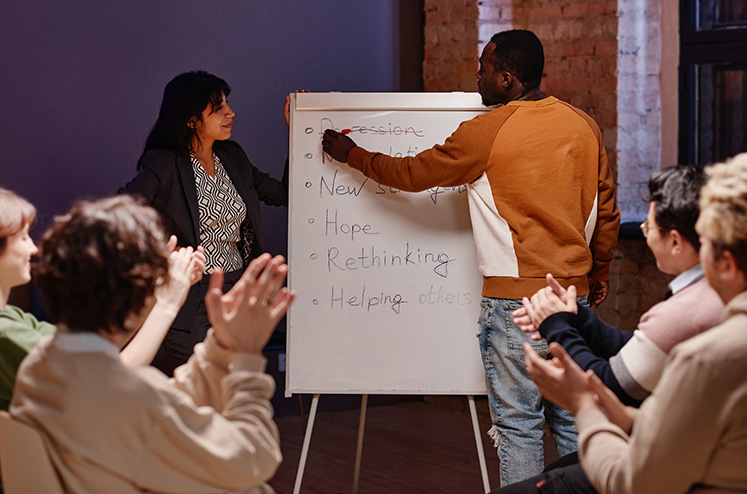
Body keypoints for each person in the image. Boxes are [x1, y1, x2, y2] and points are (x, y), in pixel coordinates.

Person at [322, 29, 620, 485]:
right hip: (572, 301)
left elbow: (413, 174)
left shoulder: (487, 132)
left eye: (483, 69)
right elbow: (607, 210)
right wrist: (597, 273)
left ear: (506, 79)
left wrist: (353, 155)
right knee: (576, 421)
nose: (476, 77)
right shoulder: (584, 125)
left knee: (519, 428)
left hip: (516, 308)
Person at [11, 195, 295, 494]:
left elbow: (164, 402)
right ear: (137, 291)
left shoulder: (43, 364)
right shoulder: (126, 397)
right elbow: (254, 460)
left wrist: (222, 347)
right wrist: (246, 358)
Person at [503, 153, 747, 493]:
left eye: (704, 241)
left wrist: (583, 403)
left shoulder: (706, 353)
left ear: (728, 264)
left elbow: (631, 481)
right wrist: (578, 320)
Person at [120, 71, 291, 376]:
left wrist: (297, 132)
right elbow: (121, 212)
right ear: (191, 120)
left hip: (238, 292)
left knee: (235, 383)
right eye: (219, 108)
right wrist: (162, 254)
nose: (231, 113)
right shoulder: (163, 163)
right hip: (192, 297)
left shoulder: (233, 156)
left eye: (228, 105)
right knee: (201, 386)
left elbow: (285, 193)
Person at [515, 165, 723, 407]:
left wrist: (557, 326)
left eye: (648, 226)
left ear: (675, 241)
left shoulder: (683, 311)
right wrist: (577, 319)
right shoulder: (717, 286)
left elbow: (612, 386)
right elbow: (642, 351)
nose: (645, 233)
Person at [0, 187, 204, 411]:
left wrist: (157, 292)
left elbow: (99, 353)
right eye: (22, 237)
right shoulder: (6, 333)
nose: (33, 249)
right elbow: (106, 383)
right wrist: (168, 303)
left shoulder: (13, 319)